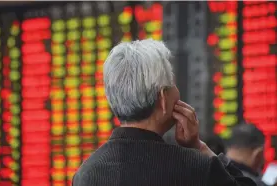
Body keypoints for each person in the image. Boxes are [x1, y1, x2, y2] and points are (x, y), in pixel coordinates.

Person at [72, 39, 256, 186]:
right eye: (173, 84)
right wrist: (199, 147)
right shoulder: (195, 168)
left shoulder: (86, 174)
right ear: (163, 98)